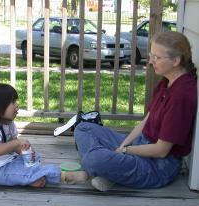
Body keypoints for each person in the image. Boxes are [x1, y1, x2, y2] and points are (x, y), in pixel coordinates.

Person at [74, 31, 198, 191]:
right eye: (151, 55)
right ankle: (110, 171)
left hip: (158, 166)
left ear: (176, 60)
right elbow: (146, 121)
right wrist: (124, 145)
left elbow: (161, 151)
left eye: (157, 57)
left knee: (93, 160)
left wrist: (124, 151)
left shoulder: (182, 96)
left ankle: (92, 171)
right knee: (83, 128)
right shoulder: (167, 81)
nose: (151, 61)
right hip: (141, 145)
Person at [0, 83, 87, 188]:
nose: (17, 105)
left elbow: (15, 147)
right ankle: (65, 176)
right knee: (30, 169)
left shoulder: (8, 123)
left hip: (10, 161)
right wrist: (17, 143)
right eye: (12, 102)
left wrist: (24, 151)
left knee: (35, 157)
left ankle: (33, 177)